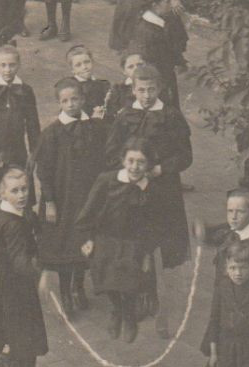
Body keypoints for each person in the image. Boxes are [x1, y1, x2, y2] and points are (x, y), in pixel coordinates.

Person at [0, 166, 64, 367]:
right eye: (15, 190)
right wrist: (41, 275)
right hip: (12, 285)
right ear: (3, 193)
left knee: (2, 332)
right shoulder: (13, 223)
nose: (22, 195)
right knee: (25, 332)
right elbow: (19, 261)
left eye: (25, 188)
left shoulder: (8, 213)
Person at [106, 64, 193, 279]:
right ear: (133, 90)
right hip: (131, 185)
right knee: (131, 235)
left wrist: (161, 169)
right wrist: (129, 169)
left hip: (161, 185)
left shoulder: (171, 116)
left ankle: (154, 286)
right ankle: (135, 284)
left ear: (160, 89)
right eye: (142, 90)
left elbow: (185, 155)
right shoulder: (125, 116)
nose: (147, 96)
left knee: (158, 236)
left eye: (151, 90)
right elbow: (111, 151)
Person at [77, 141, 161, 342]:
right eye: (131, 161)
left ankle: (129, 316)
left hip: (134, 242)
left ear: (148, 165)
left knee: (130, 283)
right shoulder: (107, 180)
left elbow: (155, 223)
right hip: (106, 237)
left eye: (141, 162)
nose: (134, 167)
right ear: (123, 160)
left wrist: (148, 252)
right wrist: (87, 238)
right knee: (107, 281)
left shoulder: (151, 189)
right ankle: (117, 309)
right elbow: (89, 211)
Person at [39, 78, 104, 319]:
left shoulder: (96, 128)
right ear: (59, 103)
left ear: (83, 100)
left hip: (88, 197)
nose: (70, 104)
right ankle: (65, 292)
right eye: (65, 101)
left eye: (75, 99)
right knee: (65, 245)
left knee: (85, 244)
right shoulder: (52, 133)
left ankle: (79, 286)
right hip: (64, 199)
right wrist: (49, 201)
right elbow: (44, 170)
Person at [0, 45, 39, 189]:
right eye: (2, 65)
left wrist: (34, 152)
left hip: (17, 151)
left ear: (19, 65)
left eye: (12, 65)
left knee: (18, 188)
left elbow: (33, 125)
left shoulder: (25, 90)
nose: (7, 70)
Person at [128, 0, 188, 106]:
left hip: (165, 80)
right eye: (167, 1)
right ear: (155, 5)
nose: (171, 4)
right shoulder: (147, 32)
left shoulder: (161, 22)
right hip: (156, 88)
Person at [66, 45, 112, 120]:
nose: (84, 67)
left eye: (87, 62)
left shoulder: (103, 84)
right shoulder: (72, 89)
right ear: (72, 70)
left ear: (92, 62)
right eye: (78, 65)